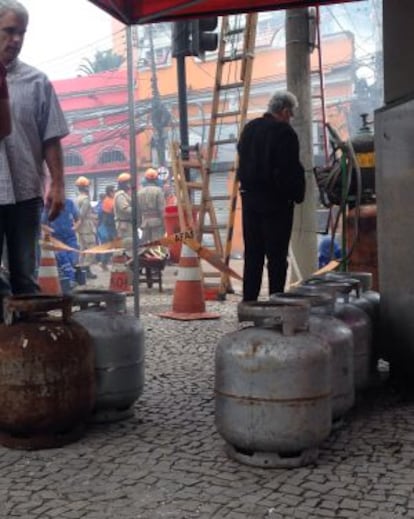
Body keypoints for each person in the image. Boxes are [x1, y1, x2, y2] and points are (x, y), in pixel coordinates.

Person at [0, 0, 68, 318]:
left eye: (21, 33)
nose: (15, 39)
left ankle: (28, 352)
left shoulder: (36, 82)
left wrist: (58, 183)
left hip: (26, 193)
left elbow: (51, 138)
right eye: (9, 31)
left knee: (25, 276)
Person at [237, 90, 306, 301]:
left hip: (249, 202)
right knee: (276, 258)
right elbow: (288, 172)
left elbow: (242, 161)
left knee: (253, 256)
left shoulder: (249, 129)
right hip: (276, 206)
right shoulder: (285, 133)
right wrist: (296, 194)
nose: (290, 118)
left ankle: (249, 303)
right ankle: (276, 303)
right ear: (285, 111)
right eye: (291, 114)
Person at [41, 198, 80, 287]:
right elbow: (43, 224)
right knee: (63, 258)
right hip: (56, 238)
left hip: (70, 237)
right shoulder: (48, 206)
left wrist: (74, 228)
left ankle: (67, 278)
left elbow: (78, 219)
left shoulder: (70, 203)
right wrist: (52, 232)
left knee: (72, 257)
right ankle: (70, 280)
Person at [75, 176, 97, 279]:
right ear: (86, 188)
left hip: (80, 228)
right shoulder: (85, 199)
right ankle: (86, 268)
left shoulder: (77, 198)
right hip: (86, 227)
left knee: (82, 249)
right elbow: (81, 214)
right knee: (91, 248)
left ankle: (81, 270)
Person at [138, 167, 165, 243]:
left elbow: (138, 211)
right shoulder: (158, 191)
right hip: (157, 223)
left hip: (145, 224)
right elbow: (162, 209)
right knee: (158, 246)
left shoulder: (139, 193)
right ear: (156, 179)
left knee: (146, 247)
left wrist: (140, 224)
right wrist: (164, 224)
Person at [114, 172, 136, 256]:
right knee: (127, 244)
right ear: (125, 183)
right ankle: (121, 263)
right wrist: (136, 210)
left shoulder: (124, 194)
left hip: (127, 223)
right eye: (129, 182)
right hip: (124, 225)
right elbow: (124, 208)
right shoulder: (120, 195)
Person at [96, 184, 116, 270]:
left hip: (109, 225)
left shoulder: (110, 200)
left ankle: (104, 263)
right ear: (110, 192)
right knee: (108, 245)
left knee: (110, 245)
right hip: (107, 226)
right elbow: (111, 213)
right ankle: (103, 263)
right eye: (113, 191)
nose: (115, 192)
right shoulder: (108, 201)